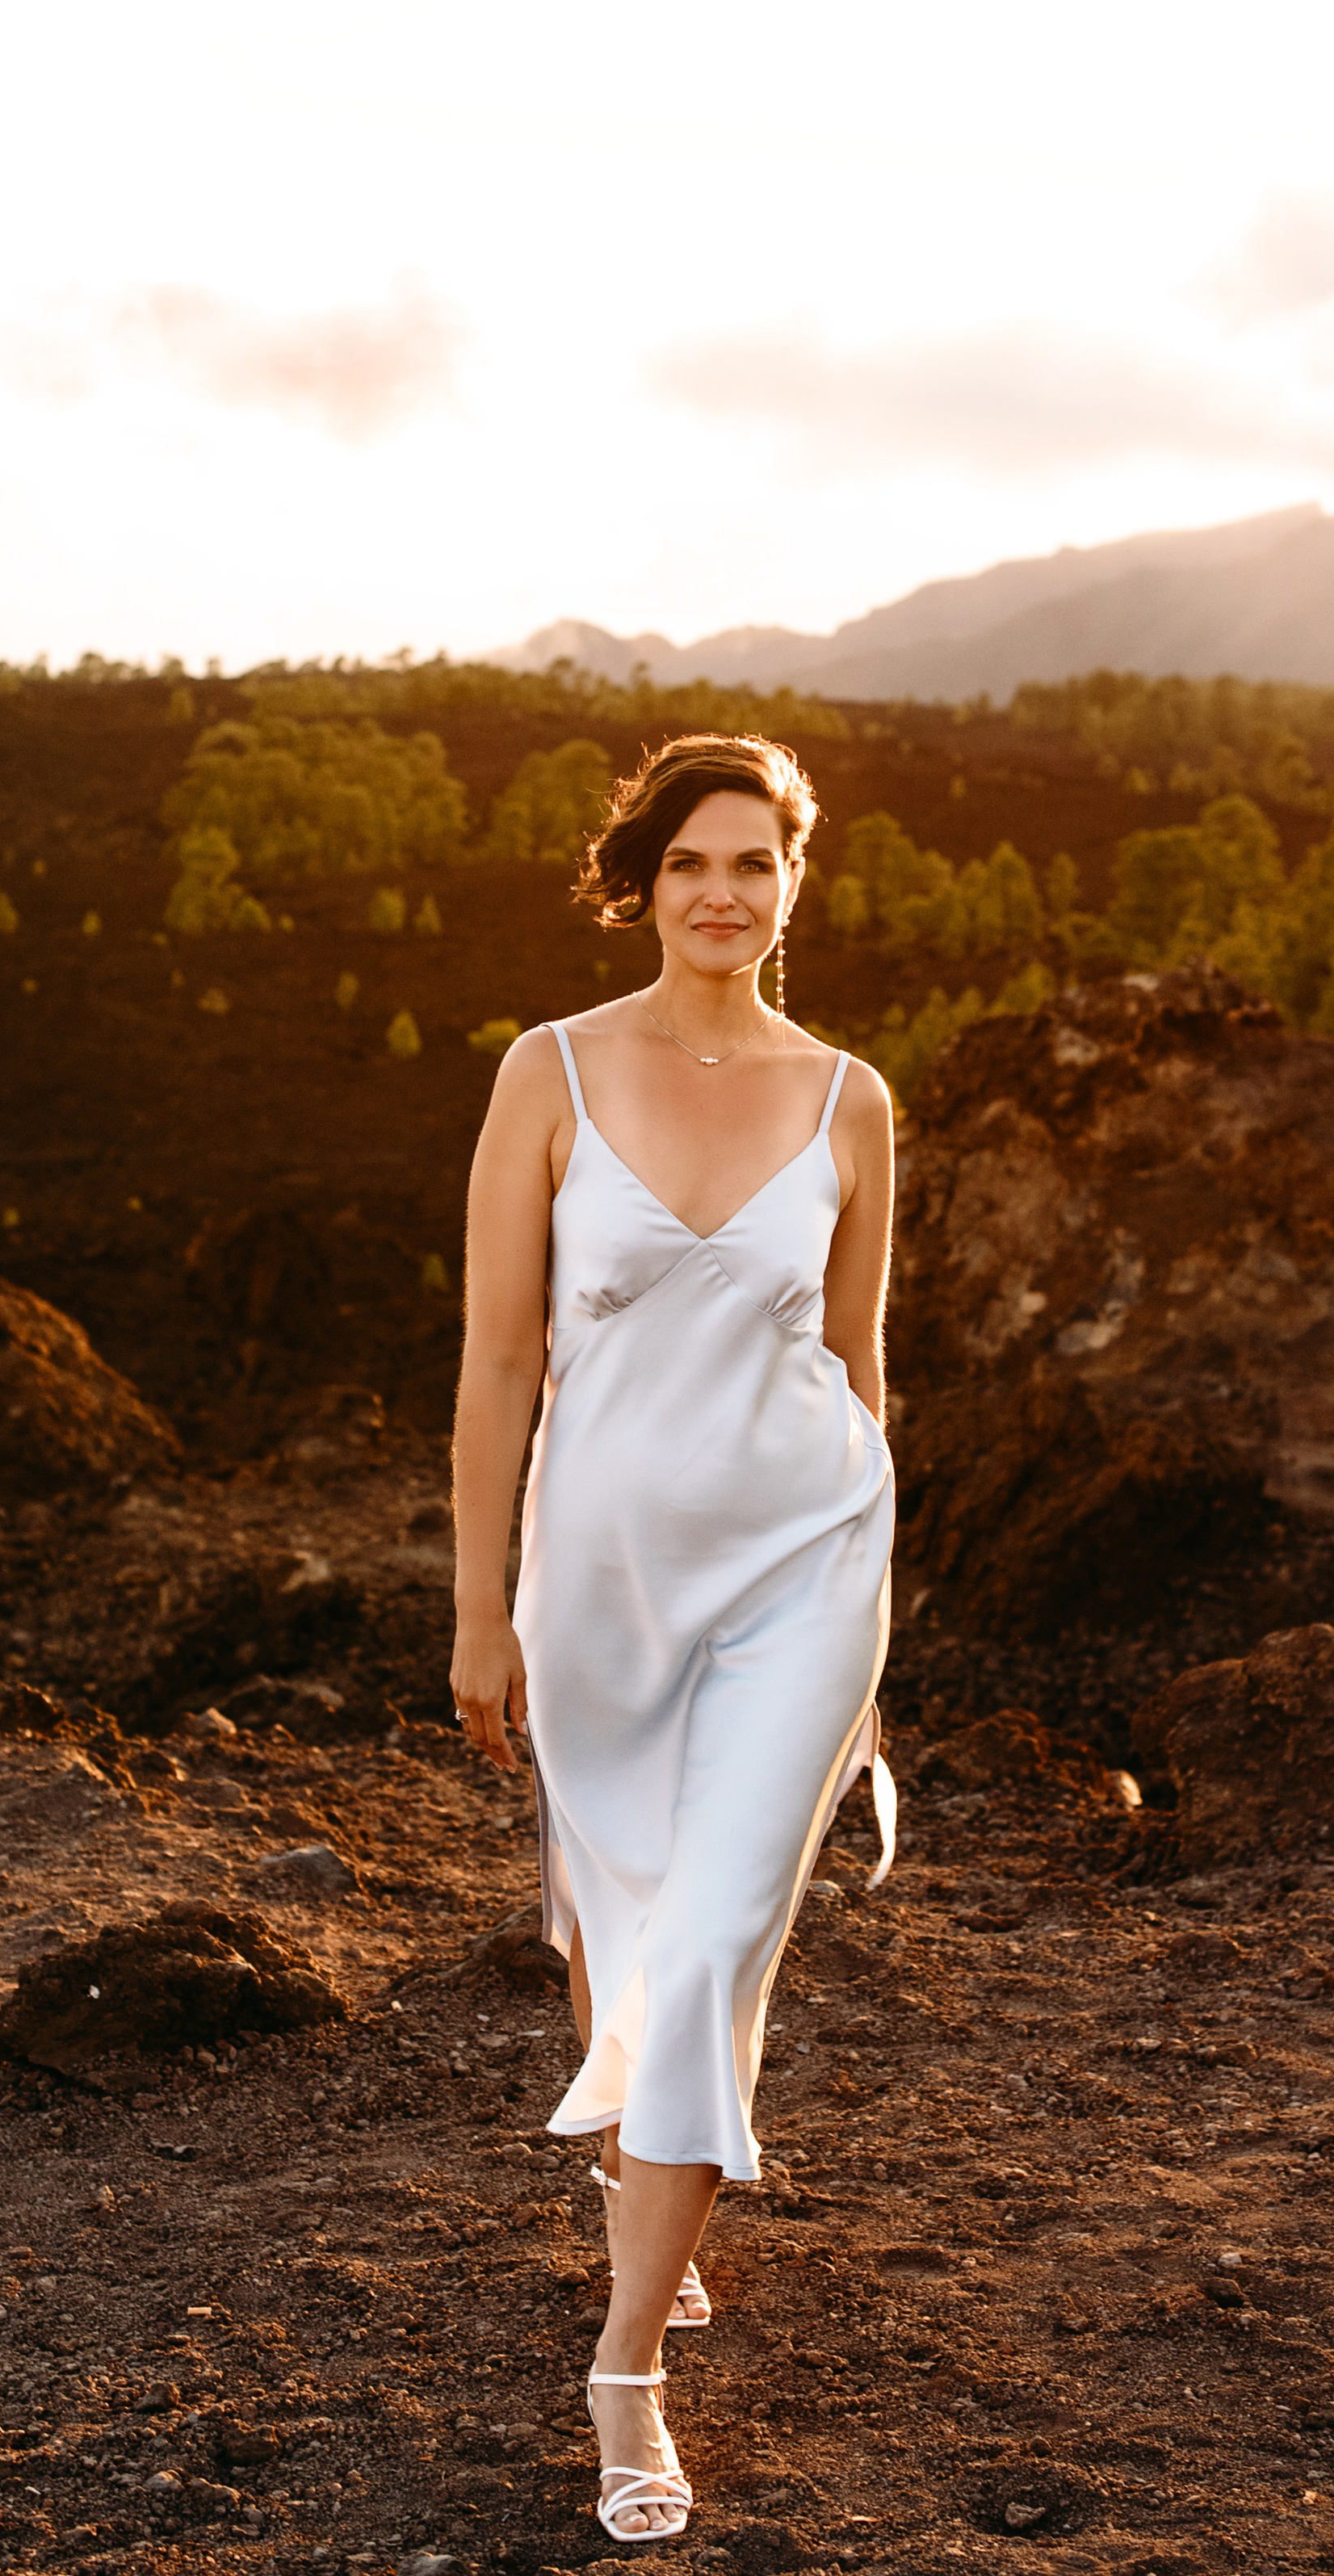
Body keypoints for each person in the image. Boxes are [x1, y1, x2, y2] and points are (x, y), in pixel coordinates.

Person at [448, 731, 897, 2545]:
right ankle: (653, 2181)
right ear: (643, 881)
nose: (722, 893)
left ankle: (624, 2365)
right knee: (615, 1913)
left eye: (755, 863)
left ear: (794, 883)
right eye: (689, 862)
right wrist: (478, 1605)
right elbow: (495, 1361)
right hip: (602, 1574)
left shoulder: (853, 1096)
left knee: (709, 1941)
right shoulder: (547, 1069)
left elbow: (860, 1372)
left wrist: (871, 1658)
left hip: (804, 1555)